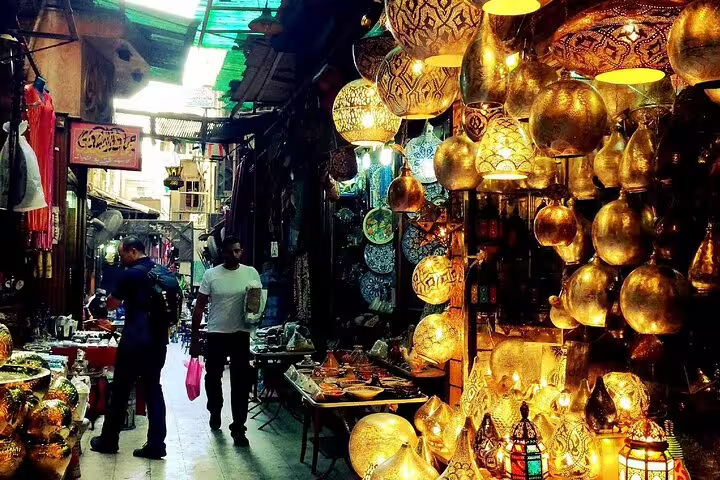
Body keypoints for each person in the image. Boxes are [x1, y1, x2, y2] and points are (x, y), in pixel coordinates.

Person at [90, 236, 169, 459]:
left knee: (121, 389)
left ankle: (108, 440)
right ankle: (156, 445)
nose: (121, 257)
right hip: (158, 341)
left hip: (135, 340)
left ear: (132, 251)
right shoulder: (159, 271)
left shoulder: (131, 273)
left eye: (122, 253)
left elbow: (112, 303)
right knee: (153, 389)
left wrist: (113, 300)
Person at [191, 236, 261, 446]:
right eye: (230, 251)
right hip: (216, 334)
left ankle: (239, 426)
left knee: (241, 382)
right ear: (222, 253)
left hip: (241, 334)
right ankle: (215, 410)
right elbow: (199, 307)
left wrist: (256, 323)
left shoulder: (251, 273)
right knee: (212, 378)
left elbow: (257, 302)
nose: (234, 255)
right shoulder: (211, 275)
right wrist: (195, 339)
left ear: (242, 251)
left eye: (237, 251)